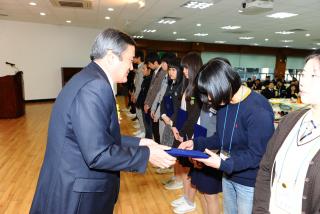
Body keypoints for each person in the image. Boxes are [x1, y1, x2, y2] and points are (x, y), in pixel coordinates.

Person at [30, 28, 176, 214]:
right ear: (111, 57)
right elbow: (97, 153)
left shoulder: (89, 78)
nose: (132, 67)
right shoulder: (95, 87)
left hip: (70, 184)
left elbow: (96, 136)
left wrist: (140, 142)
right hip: (77, 197)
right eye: (130, 60)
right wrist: (147, 155)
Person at [179, 57, 274, 214]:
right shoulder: (223, 103)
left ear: (222, 85)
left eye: (210, 93)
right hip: (228, 175)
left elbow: (258, 155)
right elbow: (220, 138)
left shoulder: (258, 109)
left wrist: (223, 164)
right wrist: (196, 144)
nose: (209, 98)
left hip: (250, 182)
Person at [253, 49, 320, 213]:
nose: (302, 81)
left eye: (313, 75)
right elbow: (266, 168)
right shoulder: (290, 120)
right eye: (303, 74)